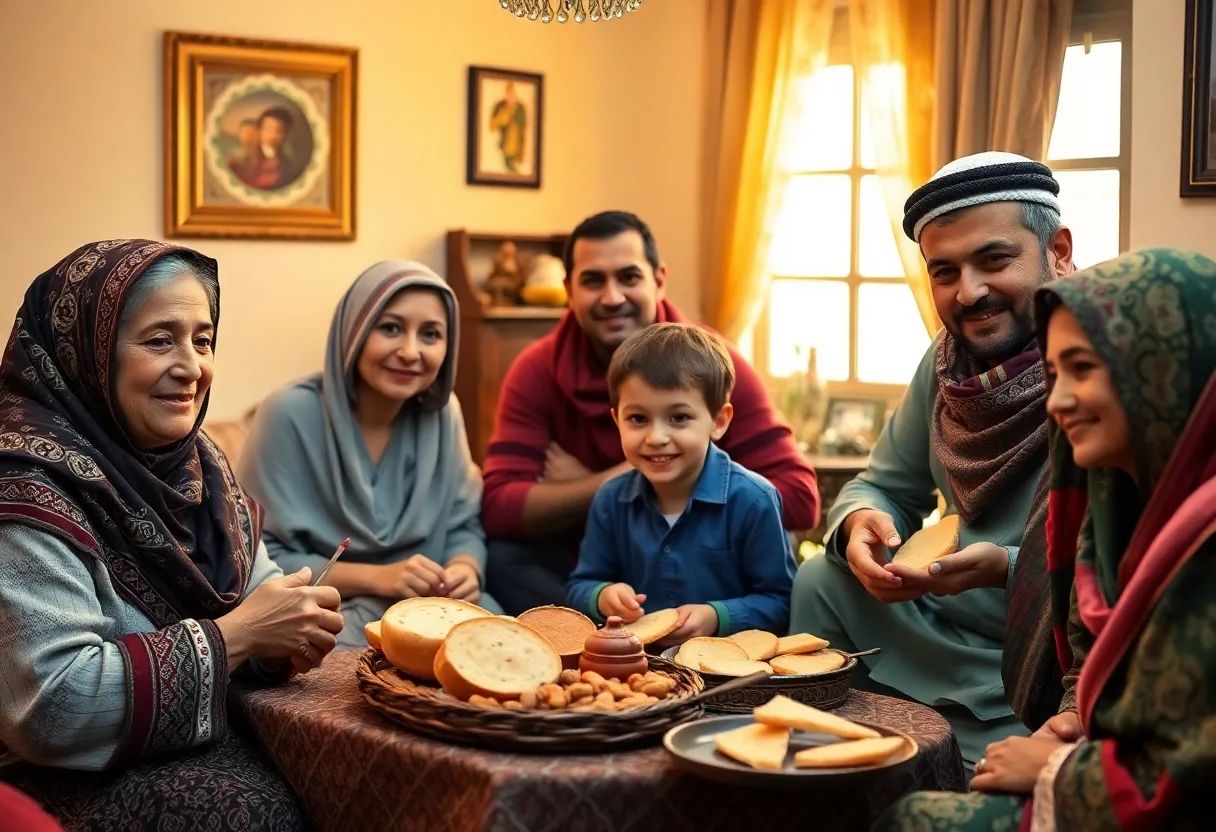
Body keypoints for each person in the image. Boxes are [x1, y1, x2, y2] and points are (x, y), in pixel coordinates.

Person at [0, 240, 343, 830]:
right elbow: (51, 707)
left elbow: (255, 601)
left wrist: (285, 635)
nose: (192, 367)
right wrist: (240, 635)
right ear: (88, 354)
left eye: (202, 340)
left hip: (200, 746)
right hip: (57, 776)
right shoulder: (25, 486)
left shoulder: (197, 466)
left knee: (347, 780)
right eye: (160, 340)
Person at [878, 248, 1216, 830]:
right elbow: (883, 480)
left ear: (1161, 370)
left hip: (1125, 788)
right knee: (823, 581)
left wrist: (1058, 765)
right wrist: (1076, 715)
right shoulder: (1114, 498)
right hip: (1072, 730)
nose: (1056, 402)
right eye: (1055, 374)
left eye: (1083, 369)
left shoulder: (1204, 539)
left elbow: (1192, 773)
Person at [789, 151, 1075, 768]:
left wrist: (1006, 567)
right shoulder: (945, 362)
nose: (969, 293)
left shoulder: (1102, 359)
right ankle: (841, 750)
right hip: (940, 617)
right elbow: (883, 484)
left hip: (1045, 643)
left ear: (1058, 250)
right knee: (821, 578)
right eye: (944, 272)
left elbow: (1128, 563)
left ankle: (965, 748)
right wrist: (860, 525)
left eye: (994, 260)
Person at [482, 210, 818, 614]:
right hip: (596, 574)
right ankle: (588, 645)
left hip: (707, 571)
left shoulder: (711, 363)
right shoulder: (536, 369)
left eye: (629, 277)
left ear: (658, 280)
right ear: (569, 290)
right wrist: (612, 481)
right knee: (501, 558)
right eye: (593, 280)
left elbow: (799, 498)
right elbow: (499, 507)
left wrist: (691, 482)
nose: (612, 297)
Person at [239, 261, 499, 648]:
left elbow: (463, 525)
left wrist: (464, 567)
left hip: (433, 611)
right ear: (354, 332)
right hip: (325, 615)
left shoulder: (444, 414)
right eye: (390, 328)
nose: (411, 352)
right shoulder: (288, 414)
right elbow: (255, 560)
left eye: (430, 334)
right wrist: (378, 577)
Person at [567, 324, 795, 641]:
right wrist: (603, 595)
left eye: (678, 418)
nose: (656, 437)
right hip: (640, 669)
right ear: (617, 420)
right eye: (638, 419)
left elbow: (781, 601)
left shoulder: (754, 500)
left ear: (719, 421)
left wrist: (718, 616)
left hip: (727, 671)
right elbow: (580, 585)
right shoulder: (611, 499)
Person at [229, 106, 297, 190]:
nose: (272, 136)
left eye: (279, 131)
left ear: (285, 135)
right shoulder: (240, 160)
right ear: (259, 131)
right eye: (268, 129)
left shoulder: (288, 166)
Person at [489, 82, 526, 173]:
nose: (511, 96)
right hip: (503, 143)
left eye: (513, 94)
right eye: (509, 93)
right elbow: (492, 126)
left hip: (516, 143)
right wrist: (503, 116)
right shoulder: (500, 106)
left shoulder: (520, 108)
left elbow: (523, 128)